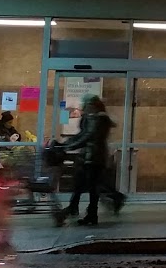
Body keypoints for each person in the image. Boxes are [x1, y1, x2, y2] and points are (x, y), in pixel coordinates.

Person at [53, 96, 125, 226]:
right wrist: (67, 144)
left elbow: (88, 136)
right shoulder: (95, 117)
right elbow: (84, 134)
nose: (85, 107)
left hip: (93, 158)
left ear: (93, 105)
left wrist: (68, 146)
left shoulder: (99, 118)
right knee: (84, 185)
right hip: (89, 157)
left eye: (87, 105)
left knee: (91, 187)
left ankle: (87, 212)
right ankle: (83, 211)